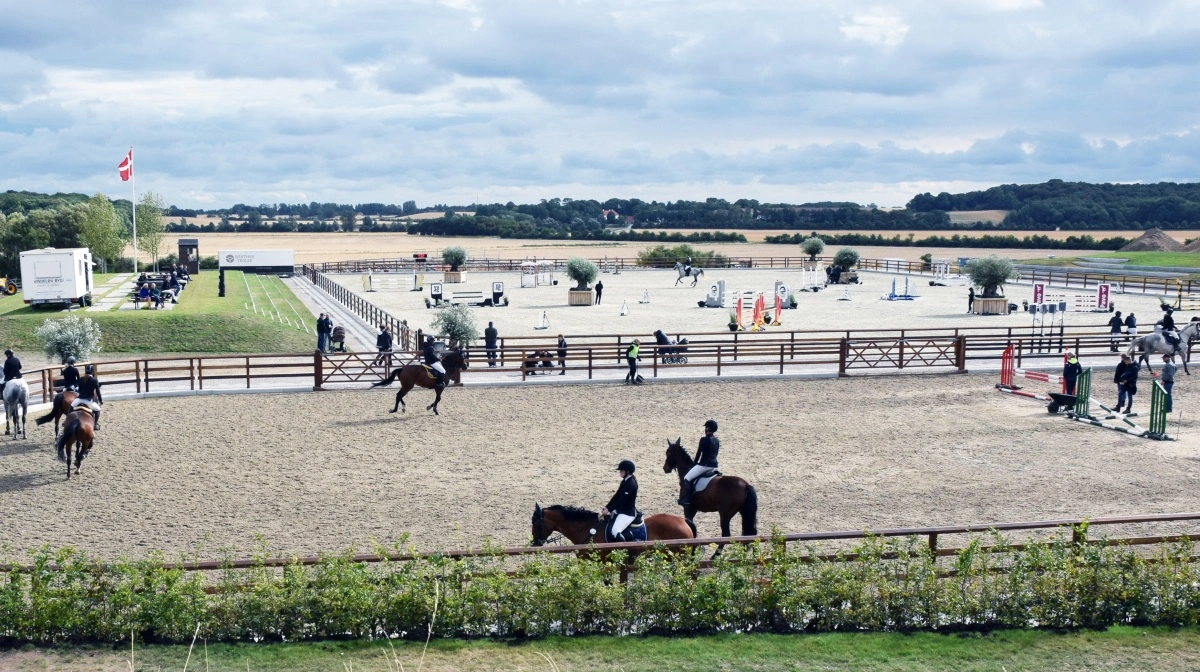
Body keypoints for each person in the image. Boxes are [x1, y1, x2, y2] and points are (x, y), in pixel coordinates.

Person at [679, 419, 720, 507]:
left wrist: (694, 464)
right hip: (714, 466)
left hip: (704, 465)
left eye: (706, 427)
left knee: (687, 478)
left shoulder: (703, 439)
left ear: (708, 428)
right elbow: (716, 454)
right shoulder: (717, 440)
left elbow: (699, 454)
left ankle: (687, 500)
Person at [601, 459, 639, 543]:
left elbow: (622, 501)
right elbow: (617, 496)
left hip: (628, 513)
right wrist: (607, 506)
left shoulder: (631, 484)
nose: (620, 472)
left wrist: (609, 510)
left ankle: (626, 552)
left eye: (621, 470)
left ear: (627, 471)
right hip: (621, 511)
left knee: (615, 531)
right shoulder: (625, 481)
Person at [72, 365, 103, 430]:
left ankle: (66, 421)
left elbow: (79, 390)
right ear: (92, 372)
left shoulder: (81, 379)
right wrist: (100, 401)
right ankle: (95, 425)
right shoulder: (95, 380)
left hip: (79, 400)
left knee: (71, 407)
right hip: (88, 401)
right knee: (98, 410)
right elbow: (98, 392)